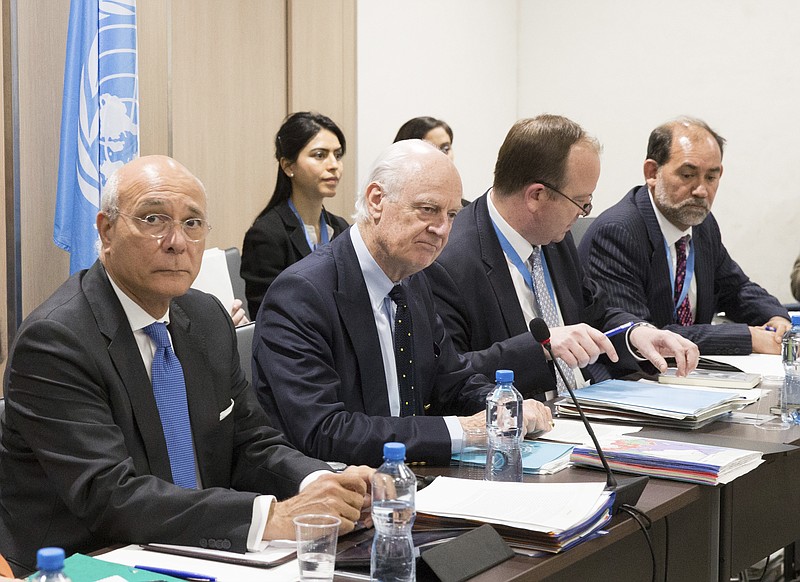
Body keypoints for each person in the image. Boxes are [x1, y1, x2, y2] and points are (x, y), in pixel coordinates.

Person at [0, 155, 371, 576]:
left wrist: (321, 483)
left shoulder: (206, 317)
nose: (177, 241)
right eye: (154, 219)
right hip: (90, 560)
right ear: (105, 230)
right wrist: (271, 517)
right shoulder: (56, 340)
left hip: (198, 550)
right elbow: (110, 496)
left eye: (193, 223)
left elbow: (251, 442)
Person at [252, 140, 553, 467]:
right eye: (428, 209)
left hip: (415, 475)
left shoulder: (414, 278)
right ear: (377, 200)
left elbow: (451, 381)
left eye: (451, 215)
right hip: (344, 490)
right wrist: (463, 431)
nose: (441, 229)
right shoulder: (302, 294)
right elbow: (324, 431)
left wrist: (502, 409)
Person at [424, 115, 699, 398]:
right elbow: (449, 375)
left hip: (587, 408)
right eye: (581, 202)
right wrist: (539, 347)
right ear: (537, 196)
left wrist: (635, 334)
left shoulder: (553, 236)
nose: (584, 213)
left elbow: (595, 313)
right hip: (521, 424)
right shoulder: (448, 260)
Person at [578, 117, 790, 355]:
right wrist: (746, 337)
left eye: (711, 177)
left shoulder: (702, 225)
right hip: (636, 378)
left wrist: (775, 317)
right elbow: (642, 333)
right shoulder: (618, 232)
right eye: (688, 175)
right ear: (652, 172)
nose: (701, 191)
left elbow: (736, 289)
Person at [240, 112, 350, 316]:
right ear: (288, 166)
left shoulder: (341, 229)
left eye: (338, 154)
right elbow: (267, 315)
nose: (334, 165)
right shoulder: (266, 235)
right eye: (320, 155)